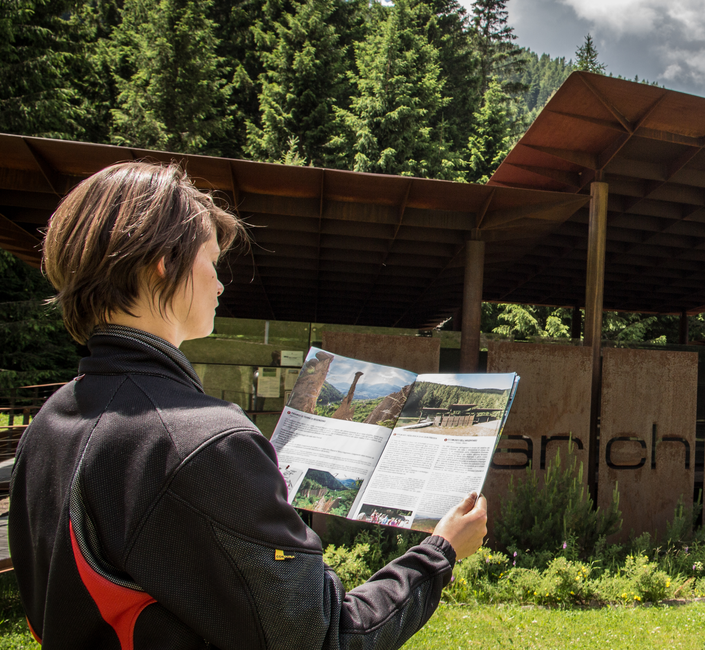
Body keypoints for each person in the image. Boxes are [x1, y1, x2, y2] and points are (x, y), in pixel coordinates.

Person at [9, 161, 488, 649]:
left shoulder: (50, 424)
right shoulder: (202, 443)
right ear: (164, 261)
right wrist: (440, 551)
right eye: (211, 261)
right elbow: (325, 636)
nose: (219, 284)